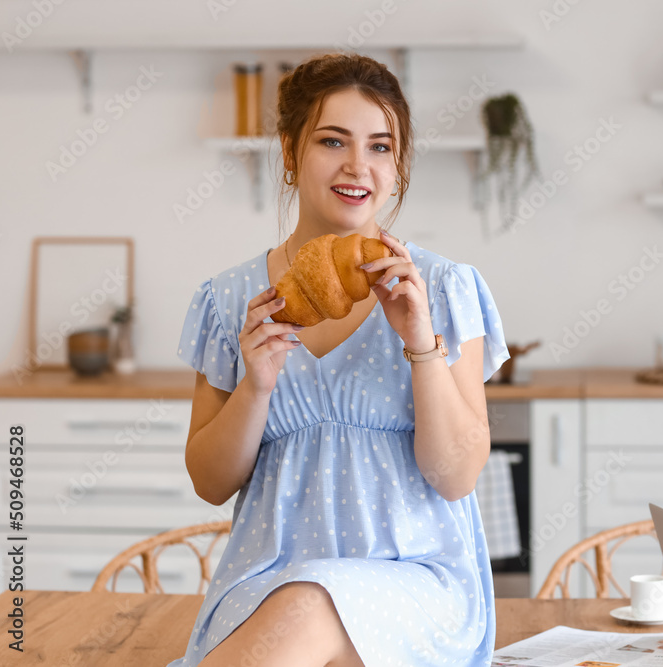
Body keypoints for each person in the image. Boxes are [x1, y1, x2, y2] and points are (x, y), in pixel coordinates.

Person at [167, 52, 510, 667]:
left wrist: (421, 343)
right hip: (264, 587)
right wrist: (257, 387)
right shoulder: (228, 302)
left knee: (314, 602)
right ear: (291, 153)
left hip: (415, 587)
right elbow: (210, 482)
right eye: (333, 141)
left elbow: (455, 477)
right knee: (301, 602)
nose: (359, 166)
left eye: (381, 147)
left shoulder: (443, 289)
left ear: (398, 167)